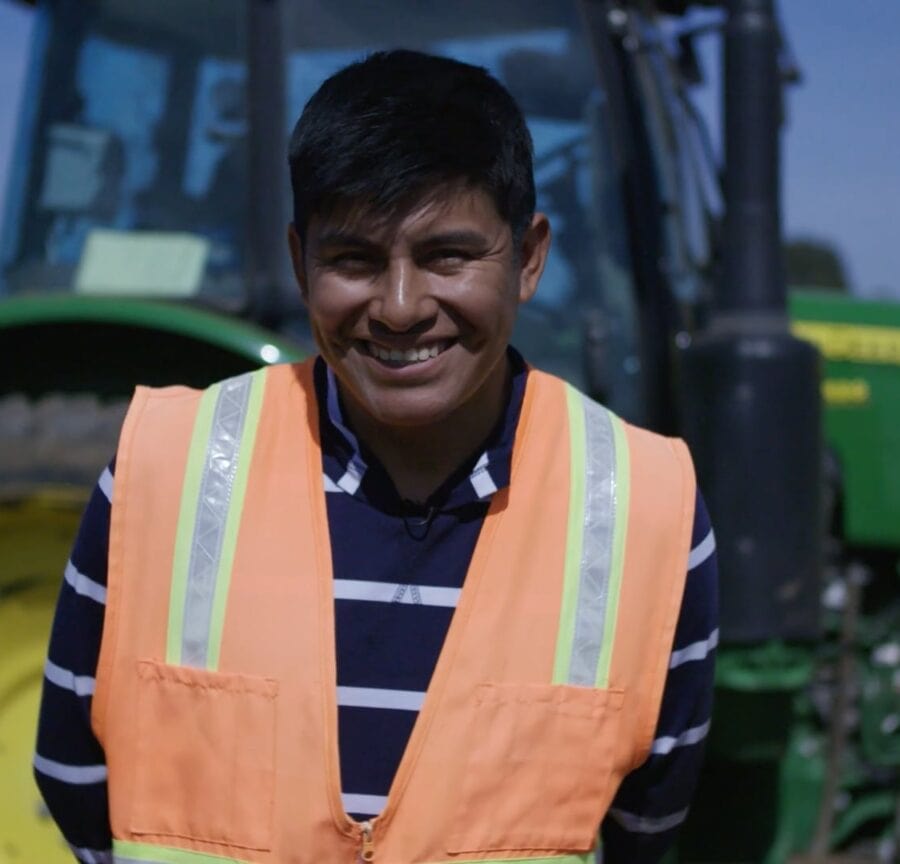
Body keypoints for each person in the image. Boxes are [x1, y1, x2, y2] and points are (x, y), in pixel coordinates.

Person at [35, 50, 717, 864]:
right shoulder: (162, 471)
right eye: (354, 260)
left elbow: (643, 824)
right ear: (300, 263)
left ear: (529, 258)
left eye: (448, 256)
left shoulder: (646, 510)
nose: (399, 308)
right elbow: (73, 777)